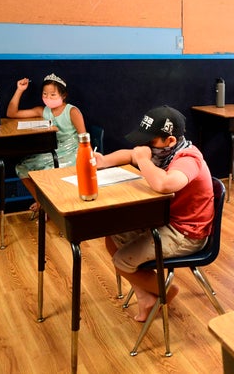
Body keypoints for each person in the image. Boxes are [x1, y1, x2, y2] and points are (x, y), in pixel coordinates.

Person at [94, 105, 214, 322]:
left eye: (151, 141)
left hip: (187, 233)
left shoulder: (188, 158)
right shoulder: (162, 153)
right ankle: (145, 297)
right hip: (164, 220)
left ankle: (166, 292)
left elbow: (166, 184)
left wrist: (143, 160)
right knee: (112, 239)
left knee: (122, 261)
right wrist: (103, 161)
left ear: (170, 141)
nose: (145, 146)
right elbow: (129, 155)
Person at [7, 73, 86, 216]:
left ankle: (54, 209)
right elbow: (12, 113)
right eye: (45, 94)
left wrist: (85, 160)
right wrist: (19, 90)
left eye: (53, 95)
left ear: (63, 95)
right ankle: (43, 204)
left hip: (73, 153)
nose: (48, 98)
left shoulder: (72, 111)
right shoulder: (43, 111)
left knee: (48, 172)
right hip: (55, 151)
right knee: (22, 167)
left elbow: (84, 139)